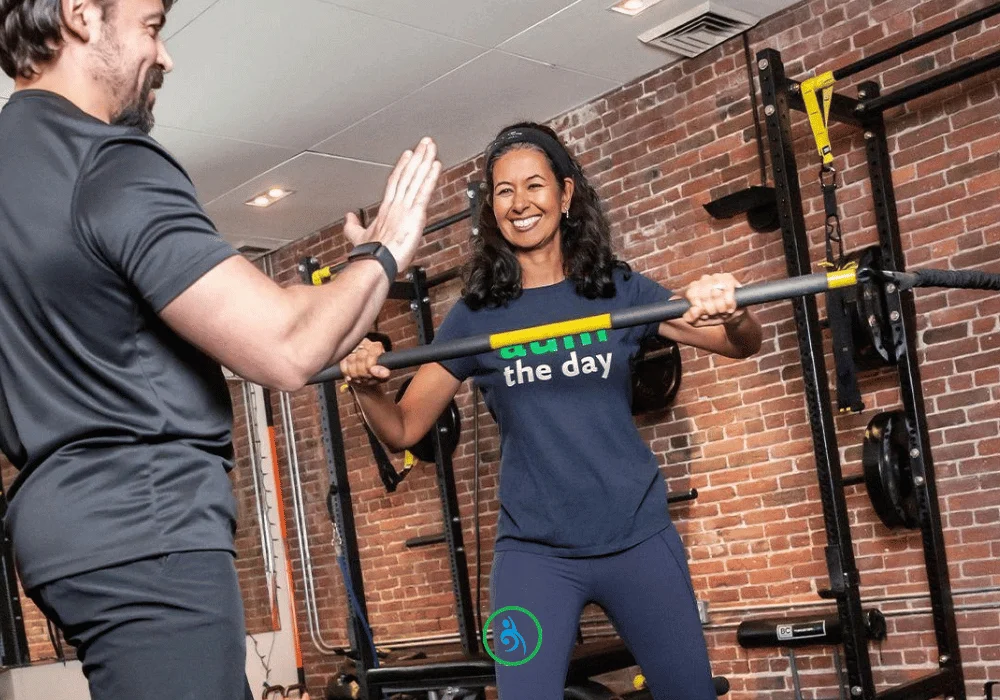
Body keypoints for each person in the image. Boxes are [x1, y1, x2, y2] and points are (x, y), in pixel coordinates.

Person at [0, 1, 441, 699]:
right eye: (150, 25)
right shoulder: (107, 161)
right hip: (147, 530)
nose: (165, 56)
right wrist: (385, 252)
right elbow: (286, 346)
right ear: (82, 15)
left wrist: (351, 296)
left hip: (68, 538)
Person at [338, 122, 762, 699]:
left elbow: (738, 344)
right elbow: (406, 428)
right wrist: (364, 387)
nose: (520, 203)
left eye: (534, 185)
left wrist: (729, 308)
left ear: (565, 196)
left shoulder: (616, 290)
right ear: (492, 209)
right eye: (504, 191)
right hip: (533, 559)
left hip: (638, 539)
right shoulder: (476, 315)